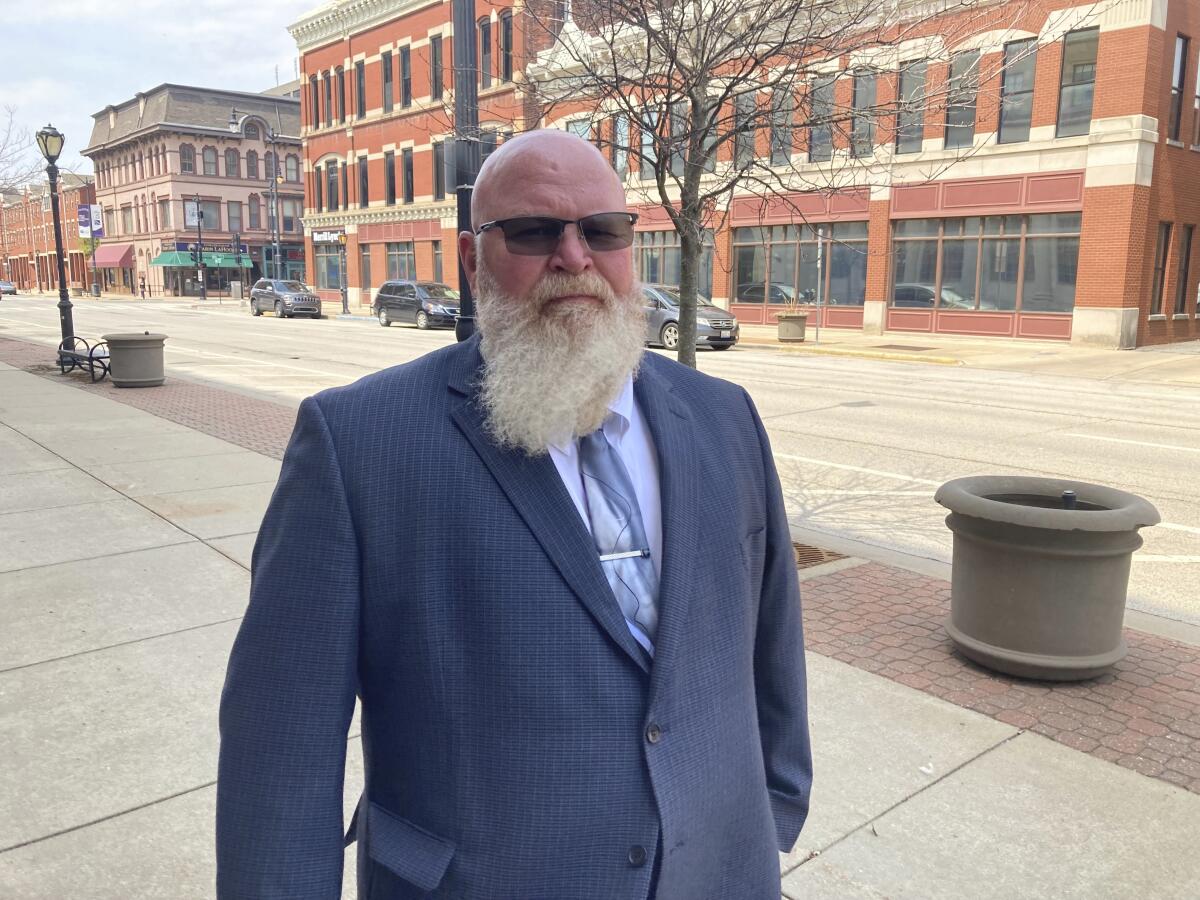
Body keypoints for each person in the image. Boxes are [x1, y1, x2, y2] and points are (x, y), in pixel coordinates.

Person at [216, 129, 811, 899]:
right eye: (533, 232)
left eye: (602, 230)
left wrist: (773, 807)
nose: (573, 257)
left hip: (716, 872)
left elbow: (770, 635)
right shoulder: (357, 443)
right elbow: (282, 744)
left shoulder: (724, 415)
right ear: (472, 259)